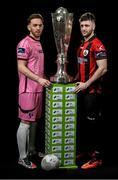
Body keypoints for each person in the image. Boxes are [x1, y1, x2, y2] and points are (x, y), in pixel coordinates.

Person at [16, 13, 51, 169]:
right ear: (29, 26)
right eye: (35, 25)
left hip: (38, 89)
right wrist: (38, 79)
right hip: (27, 90)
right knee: (25, 123)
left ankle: (31, 150)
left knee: (34, 122)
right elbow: (21, 67)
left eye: (40, 25)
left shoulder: (38, 43)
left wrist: (46, 78)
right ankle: (22, 158)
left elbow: (36, 68)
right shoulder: (24, 43)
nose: (38, 28)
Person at [74, 12, 107, 169]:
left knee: (94, 125)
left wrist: (87, 84)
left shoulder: (97, 44)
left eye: (87, 25)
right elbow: (81, 66)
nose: (84, 28)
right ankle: (88, 151)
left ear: (93, 26)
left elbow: (103, 68)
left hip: (93, 92)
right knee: (84, 124)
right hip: (82, 90)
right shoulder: (82, 43)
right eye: (81, 25)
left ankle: (97, 158)